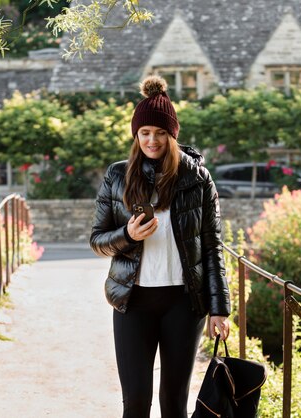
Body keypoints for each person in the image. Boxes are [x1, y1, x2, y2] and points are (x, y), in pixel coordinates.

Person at [90, 75, 231, 418]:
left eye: (160, 133)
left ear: (172, 134)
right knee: (135, 402)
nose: (152, 140)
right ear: (136, 136)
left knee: (173, 403)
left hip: (183, 304)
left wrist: (219, 308)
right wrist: (127, 235)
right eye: (145, 133)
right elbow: (97, 240)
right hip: (132, 302)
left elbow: (212, 246)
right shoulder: (117, 176)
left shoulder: (197, 179)